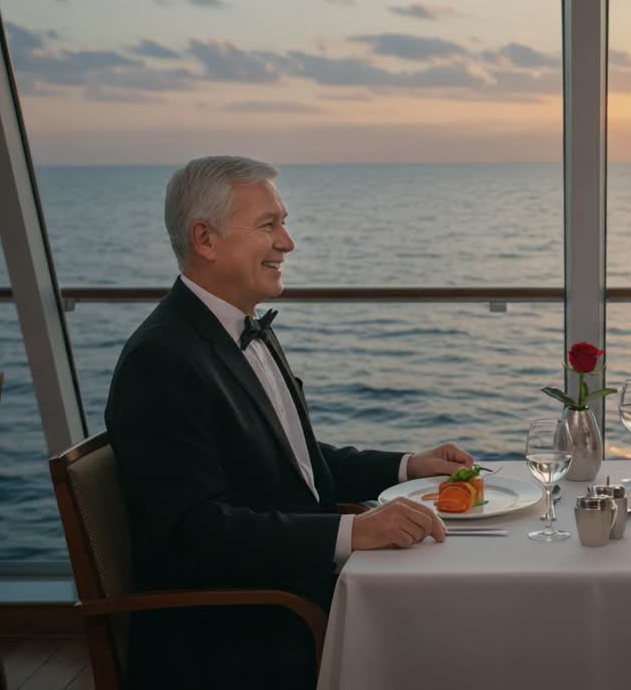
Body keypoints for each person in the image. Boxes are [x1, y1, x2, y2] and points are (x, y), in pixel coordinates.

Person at [105, 156, 471, 689]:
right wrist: (354, 531)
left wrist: (407, 466)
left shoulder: (239, 328)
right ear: (205, 239)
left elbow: (293, 463)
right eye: (269, 225)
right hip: (238, 631)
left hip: (286, 589)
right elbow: (195, 534)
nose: (288, 243)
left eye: (284, 222)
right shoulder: (161, 360)